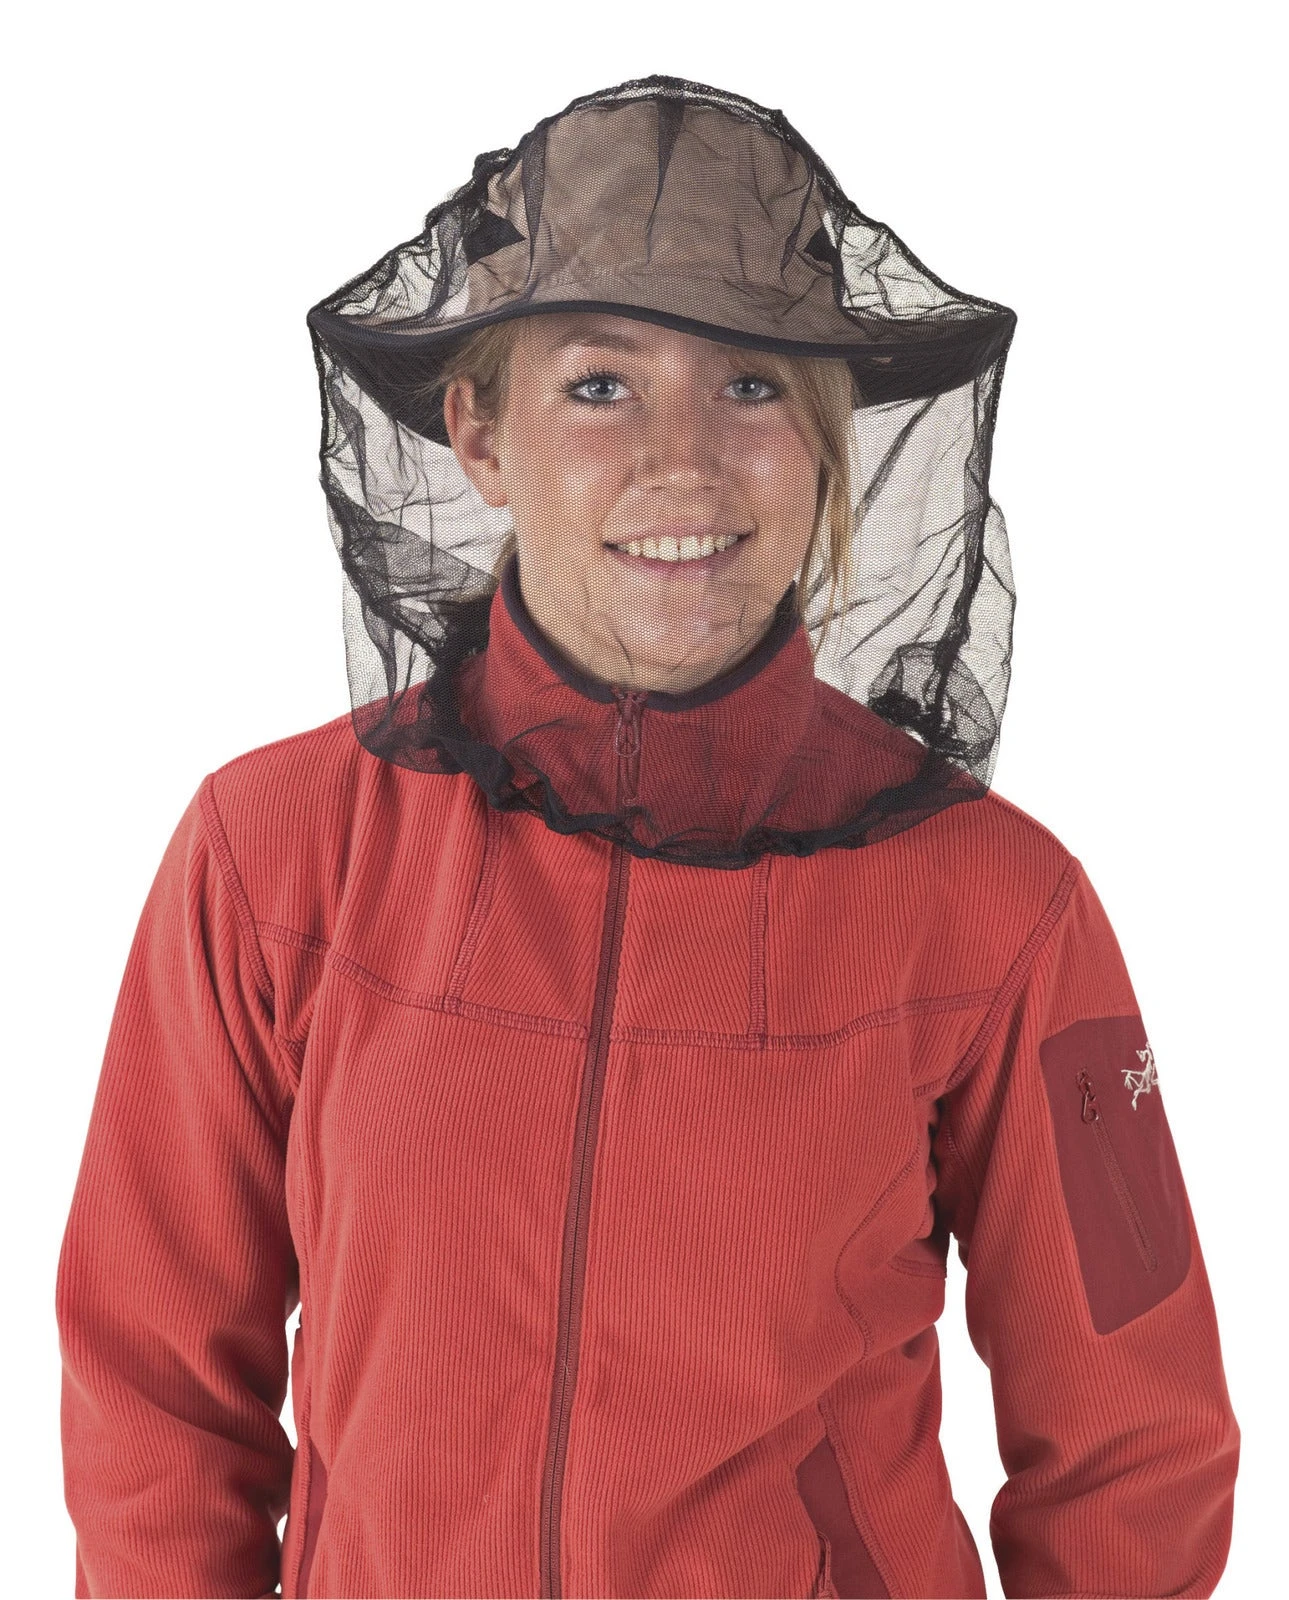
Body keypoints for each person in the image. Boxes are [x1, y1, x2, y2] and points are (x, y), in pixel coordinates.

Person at [54, 73, 1240, 1600]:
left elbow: (1140, 1441)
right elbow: (153, 1387)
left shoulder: (1009, 907)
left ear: (829, 438)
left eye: (751, 386)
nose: (683, 461)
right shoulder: (270, 856)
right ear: (480, 435)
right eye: (601, 386)